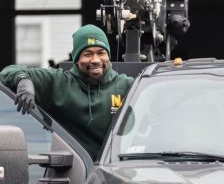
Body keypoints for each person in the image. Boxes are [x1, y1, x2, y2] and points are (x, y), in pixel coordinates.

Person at [0, 24, 134, 160]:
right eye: (87, 54)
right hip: (75, 170)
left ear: (108, 55)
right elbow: (8, 72)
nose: (95, 60)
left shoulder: (127, 86)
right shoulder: (59, 82)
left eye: (101, 53)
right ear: (76, 59)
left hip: (117, 169)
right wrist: (23, 81)